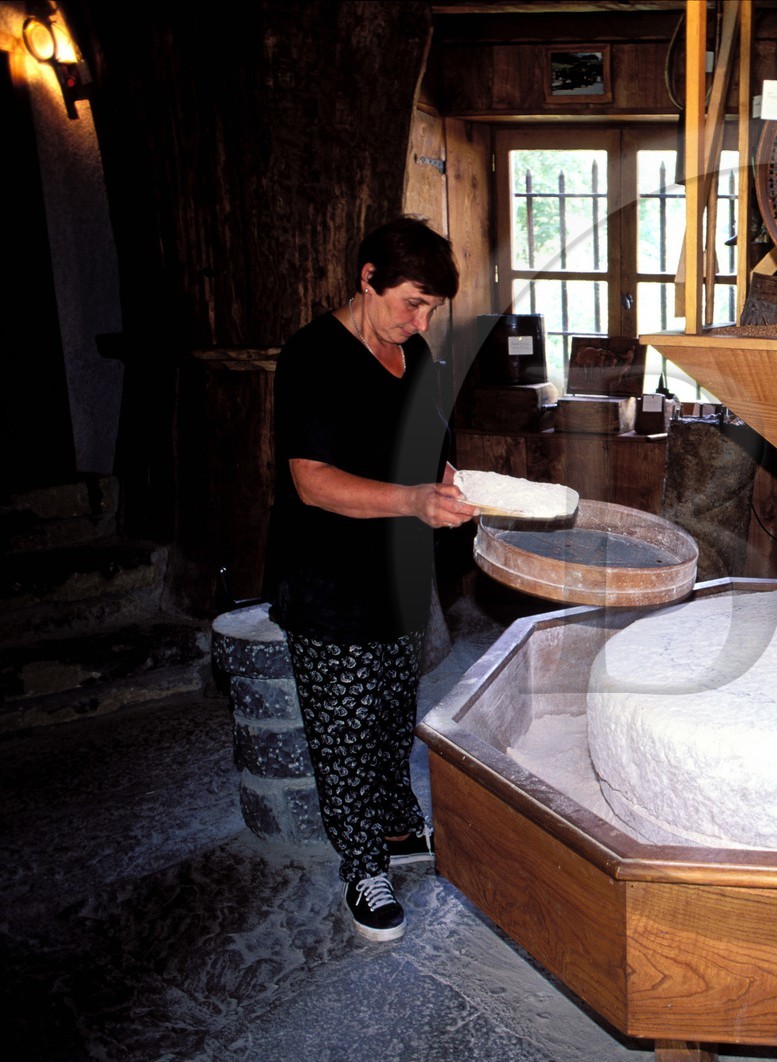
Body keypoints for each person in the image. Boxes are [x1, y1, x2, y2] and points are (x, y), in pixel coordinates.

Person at [265, 216, 477, 942]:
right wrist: (414, 501)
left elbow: (426, 443)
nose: (420, 322)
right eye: (412, 303)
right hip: (330, 580)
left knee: (390, 713)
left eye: (430, 310)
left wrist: (447, 481)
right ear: (367, 278)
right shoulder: (313, 356)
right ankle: (362, 867)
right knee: (344, 731)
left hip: (396, 571)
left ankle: (393, 827)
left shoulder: (411, 352)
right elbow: (312, 481)